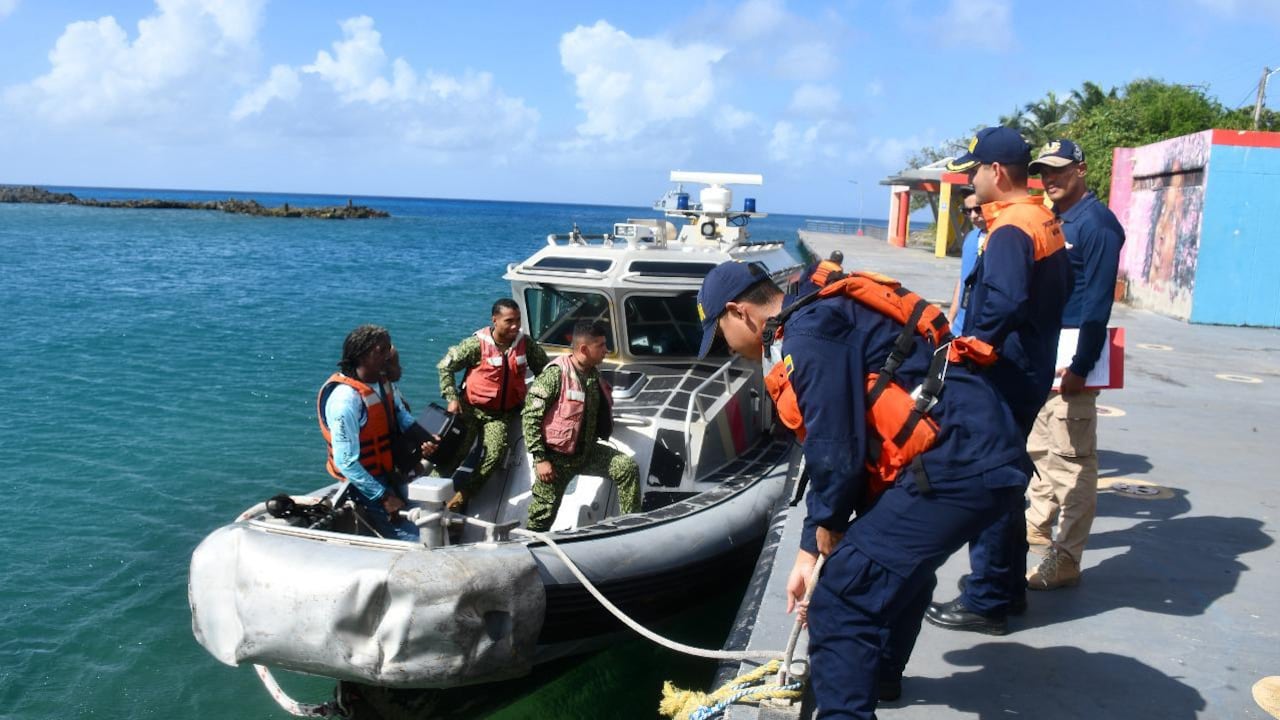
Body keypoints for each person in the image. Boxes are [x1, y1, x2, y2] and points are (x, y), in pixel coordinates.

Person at [695, 261, 1028, 718]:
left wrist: (825, 531)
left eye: (720, 337)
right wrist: (812, 544)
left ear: (739, 312)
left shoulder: (806, 338)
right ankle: (878, 677)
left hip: (958, 463)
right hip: (985, 447)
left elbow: (835, 449)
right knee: (893, 565)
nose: (727, 351)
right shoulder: (820, 306)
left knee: (841, 598)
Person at [925, 126, 1073, 634]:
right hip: (1029, 366)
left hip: (1004, 374)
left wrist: (972, 351)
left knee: (987, 479)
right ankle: (1006, 590)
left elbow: (1005, 300)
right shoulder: (1043, 220)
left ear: (997, 172)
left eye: (974, 173)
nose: (970, 183)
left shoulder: (1011, 228)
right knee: (1008, 478)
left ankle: (986, 598)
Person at [1024, 139, 1126, 590]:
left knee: (1073, 460)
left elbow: (1098, 302)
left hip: (1072, 364)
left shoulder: (1097, 225)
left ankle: (1066, 559)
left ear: (1082, 170)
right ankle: (1036, 532)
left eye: (1060, 170)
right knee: (1042, 451)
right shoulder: (1056, 219)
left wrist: (1082, 365)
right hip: (1046, 357)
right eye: (1044, 171)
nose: (1051, 179)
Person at [318, 325, 436, 542]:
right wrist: (383, 497)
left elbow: (400, 415)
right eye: (381, 350)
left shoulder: (381, 383)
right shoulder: (346, 401)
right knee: (415, 538)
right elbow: (346, 462)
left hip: (390, 468)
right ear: (362, 356)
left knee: (432, 515)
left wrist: (425, 437)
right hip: (366, 481)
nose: (388, 355)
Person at [521, 320, 639, 532]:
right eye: (601, 346)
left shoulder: (592, 373)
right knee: (542, 515)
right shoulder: (555, 375)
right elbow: (530, 418)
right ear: (584, 349)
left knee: (626, 468)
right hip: (556, 460)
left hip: (586, 452)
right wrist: (540, 460)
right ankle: (527, 546)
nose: (606, 350)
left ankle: (631, 526)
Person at [437, 299, 549, 510]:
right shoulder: (475, 345)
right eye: (509, 321)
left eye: (518, 320)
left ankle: (461, 497)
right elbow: (445, 366)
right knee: (454, 455)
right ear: (495, 320)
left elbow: (546, 371)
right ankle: (429, 496)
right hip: (470, 410)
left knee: (495, 455)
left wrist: (541, 399)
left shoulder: (526, 345)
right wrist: (451, 397)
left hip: (500, 415)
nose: (515, 326)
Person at [947, 191, 987, 331]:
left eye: (978, 209)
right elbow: (963, 278)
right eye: (967, 211)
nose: (973, 216)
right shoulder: (970, 238)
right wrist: (951, 317)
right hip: (960, 325)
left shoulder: (1001, 237)